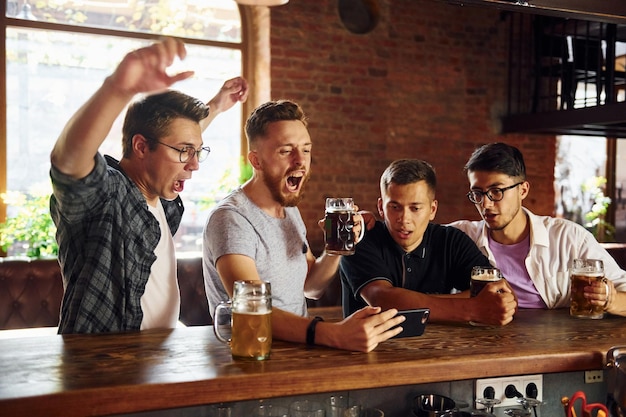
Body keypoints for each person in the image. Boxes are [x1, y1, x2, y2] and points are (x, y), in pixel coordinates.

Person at [49, 37, 249, 334]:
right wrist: (118, 88)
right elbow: (67, 162)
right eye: (185, 151)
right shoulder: (108, 197)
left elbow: (171, 139)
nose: (193, 164)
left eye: (197, 151)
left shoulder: (161, 202)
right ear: (141, 147)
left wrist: (216, 106)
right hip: (106, 370)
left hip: (158, 364)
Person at [202, 100, 404, 352]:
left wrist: (335, 249)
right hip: (249, 357)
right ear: (256, 160)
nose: (300, 161)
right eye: (286, 151)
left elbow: (311, 287)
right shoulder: (231, 218)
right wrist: (334, 333)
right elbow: (252, 310)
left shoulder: (289, 210)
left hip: (295, 353)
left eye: (306, 150)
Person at [448, 142, 626, 315]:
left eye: (496, 191)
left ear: (523, 190)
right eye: (477, 193)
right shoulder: (460, 237)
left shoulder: (569, 237)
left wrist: (610, 299)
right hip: (480, 340)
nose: (485, 204)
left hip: (556, 342)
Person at [340, 159, 517, 326]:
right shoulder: (359, 238)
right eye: (395, 207)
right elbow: (383, 300)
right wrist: (474, 307)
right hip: (368, 351)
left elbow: (502, 295)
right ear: (381, 207)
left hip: (441, 351)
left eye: (415, 208)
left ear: (432, 209)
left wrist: (410, 302)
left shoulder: (451, 241)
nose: (404, 219)